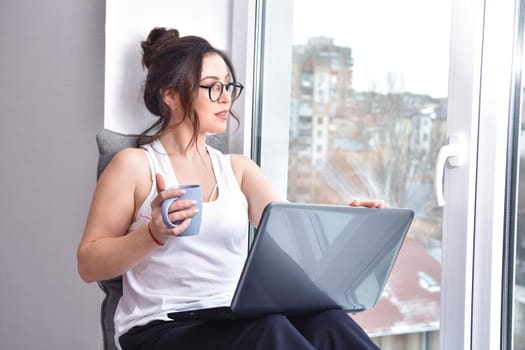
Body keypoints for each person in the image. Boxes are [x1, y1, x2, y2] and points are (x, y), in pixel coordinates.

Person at [77, 27, 386, 350]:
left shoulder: (238, 170)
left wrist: (353, 227)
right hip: (160, 327)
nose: (226, 98)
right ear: (171, 95)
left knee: (328, 320)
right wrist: (152, 234)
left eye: (228, 86)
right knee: (269, 329)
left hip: (231, 316)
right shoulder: (135, 165)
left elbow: (299, 238)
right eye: (212, 87)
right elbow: (88, 264)